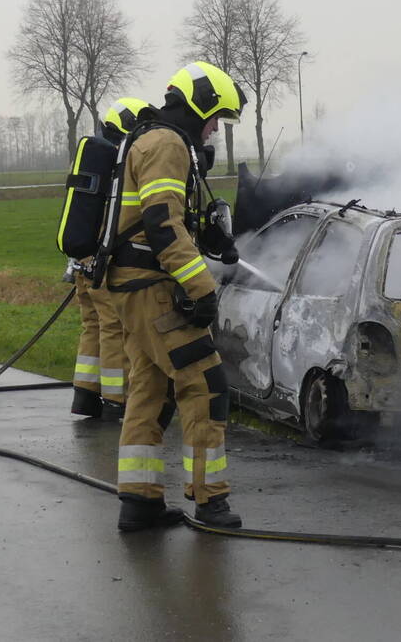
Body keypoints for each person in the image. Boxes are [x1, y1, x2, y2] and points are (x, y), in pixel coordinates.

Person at [107, 61, 246, 531]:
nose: (213, 131)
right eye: (215, 118)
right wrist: (200, 287)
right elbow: (161, 223)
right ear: (201, 105)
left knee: (148, 388)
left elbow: (166, 220)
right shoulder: (167, 145)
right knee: (205, 386)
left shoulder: (152, 139)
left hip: (133, 288)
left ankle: (139, 501)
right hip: (154, 292)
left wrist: (211, 237)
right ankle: (210, 501)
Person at [69, 98, 151, 422]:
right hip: (101, 264)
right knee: (113, 326)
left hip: (81, 261)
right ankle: (117, 400)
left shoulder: (94, 160)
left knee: (92, 324)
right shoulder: (118, 167)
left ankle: (85, 393)